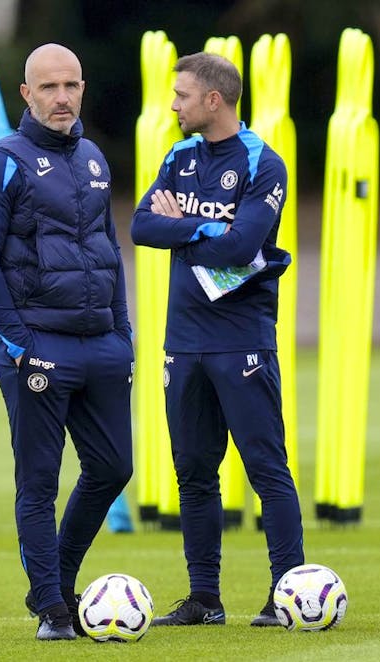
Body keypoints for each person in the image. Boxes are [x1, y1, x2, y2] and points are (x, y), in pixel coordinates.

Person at [0, 43, 135, 641]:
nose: (61, 98)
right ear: (26, 94)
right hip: (36, 347)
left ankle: (59, 581)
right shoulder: (2, 163)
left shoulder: (92, 157)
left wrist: (124, 335)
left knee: (114, 467)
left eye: (71, 86)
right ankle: (52, 609)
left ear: (82, 89)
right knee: (39, 479)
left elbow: (109, 250)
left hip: (101, 346)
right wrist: (17, 340)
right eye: (49, 88)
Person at [130, 52, 303, 628]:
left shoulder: (263, 162)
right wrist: (205, 227)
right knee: (194, 473)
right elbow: (140, 226)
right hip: (183, 341)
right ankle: (205, 599)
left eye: (181, 95)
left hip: (241, 339)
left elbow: (242, 245)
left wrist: (184, 229)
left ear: (213, 100)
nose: (172, 105)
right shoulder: (178, 156)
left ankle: (288, 595)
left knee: (265, 468)